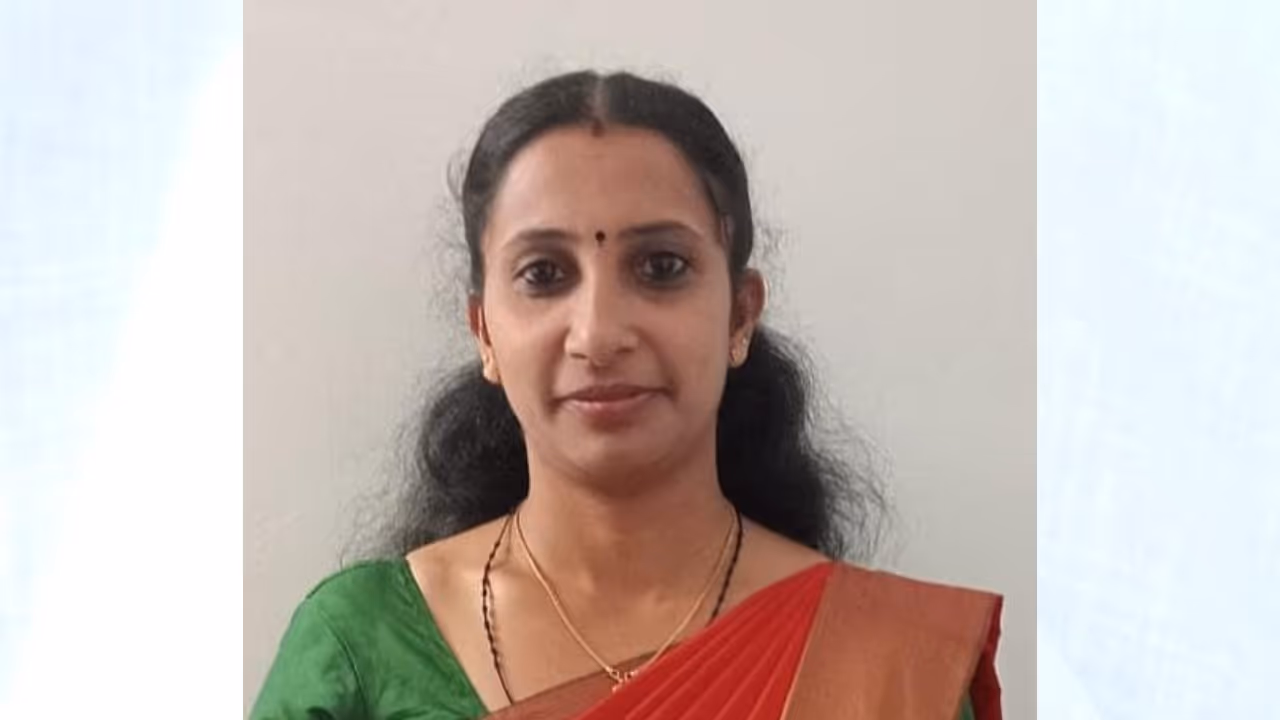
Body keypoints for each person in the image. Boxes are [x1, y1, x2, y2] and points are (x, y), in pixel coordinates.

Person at [251, 70, 1002, 720]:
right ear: (484, 332)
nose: (599, 333)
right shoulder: (359, 647)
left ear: (740, 315)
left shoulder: (886, 662)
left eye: (661, 267)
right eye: (544, 274)